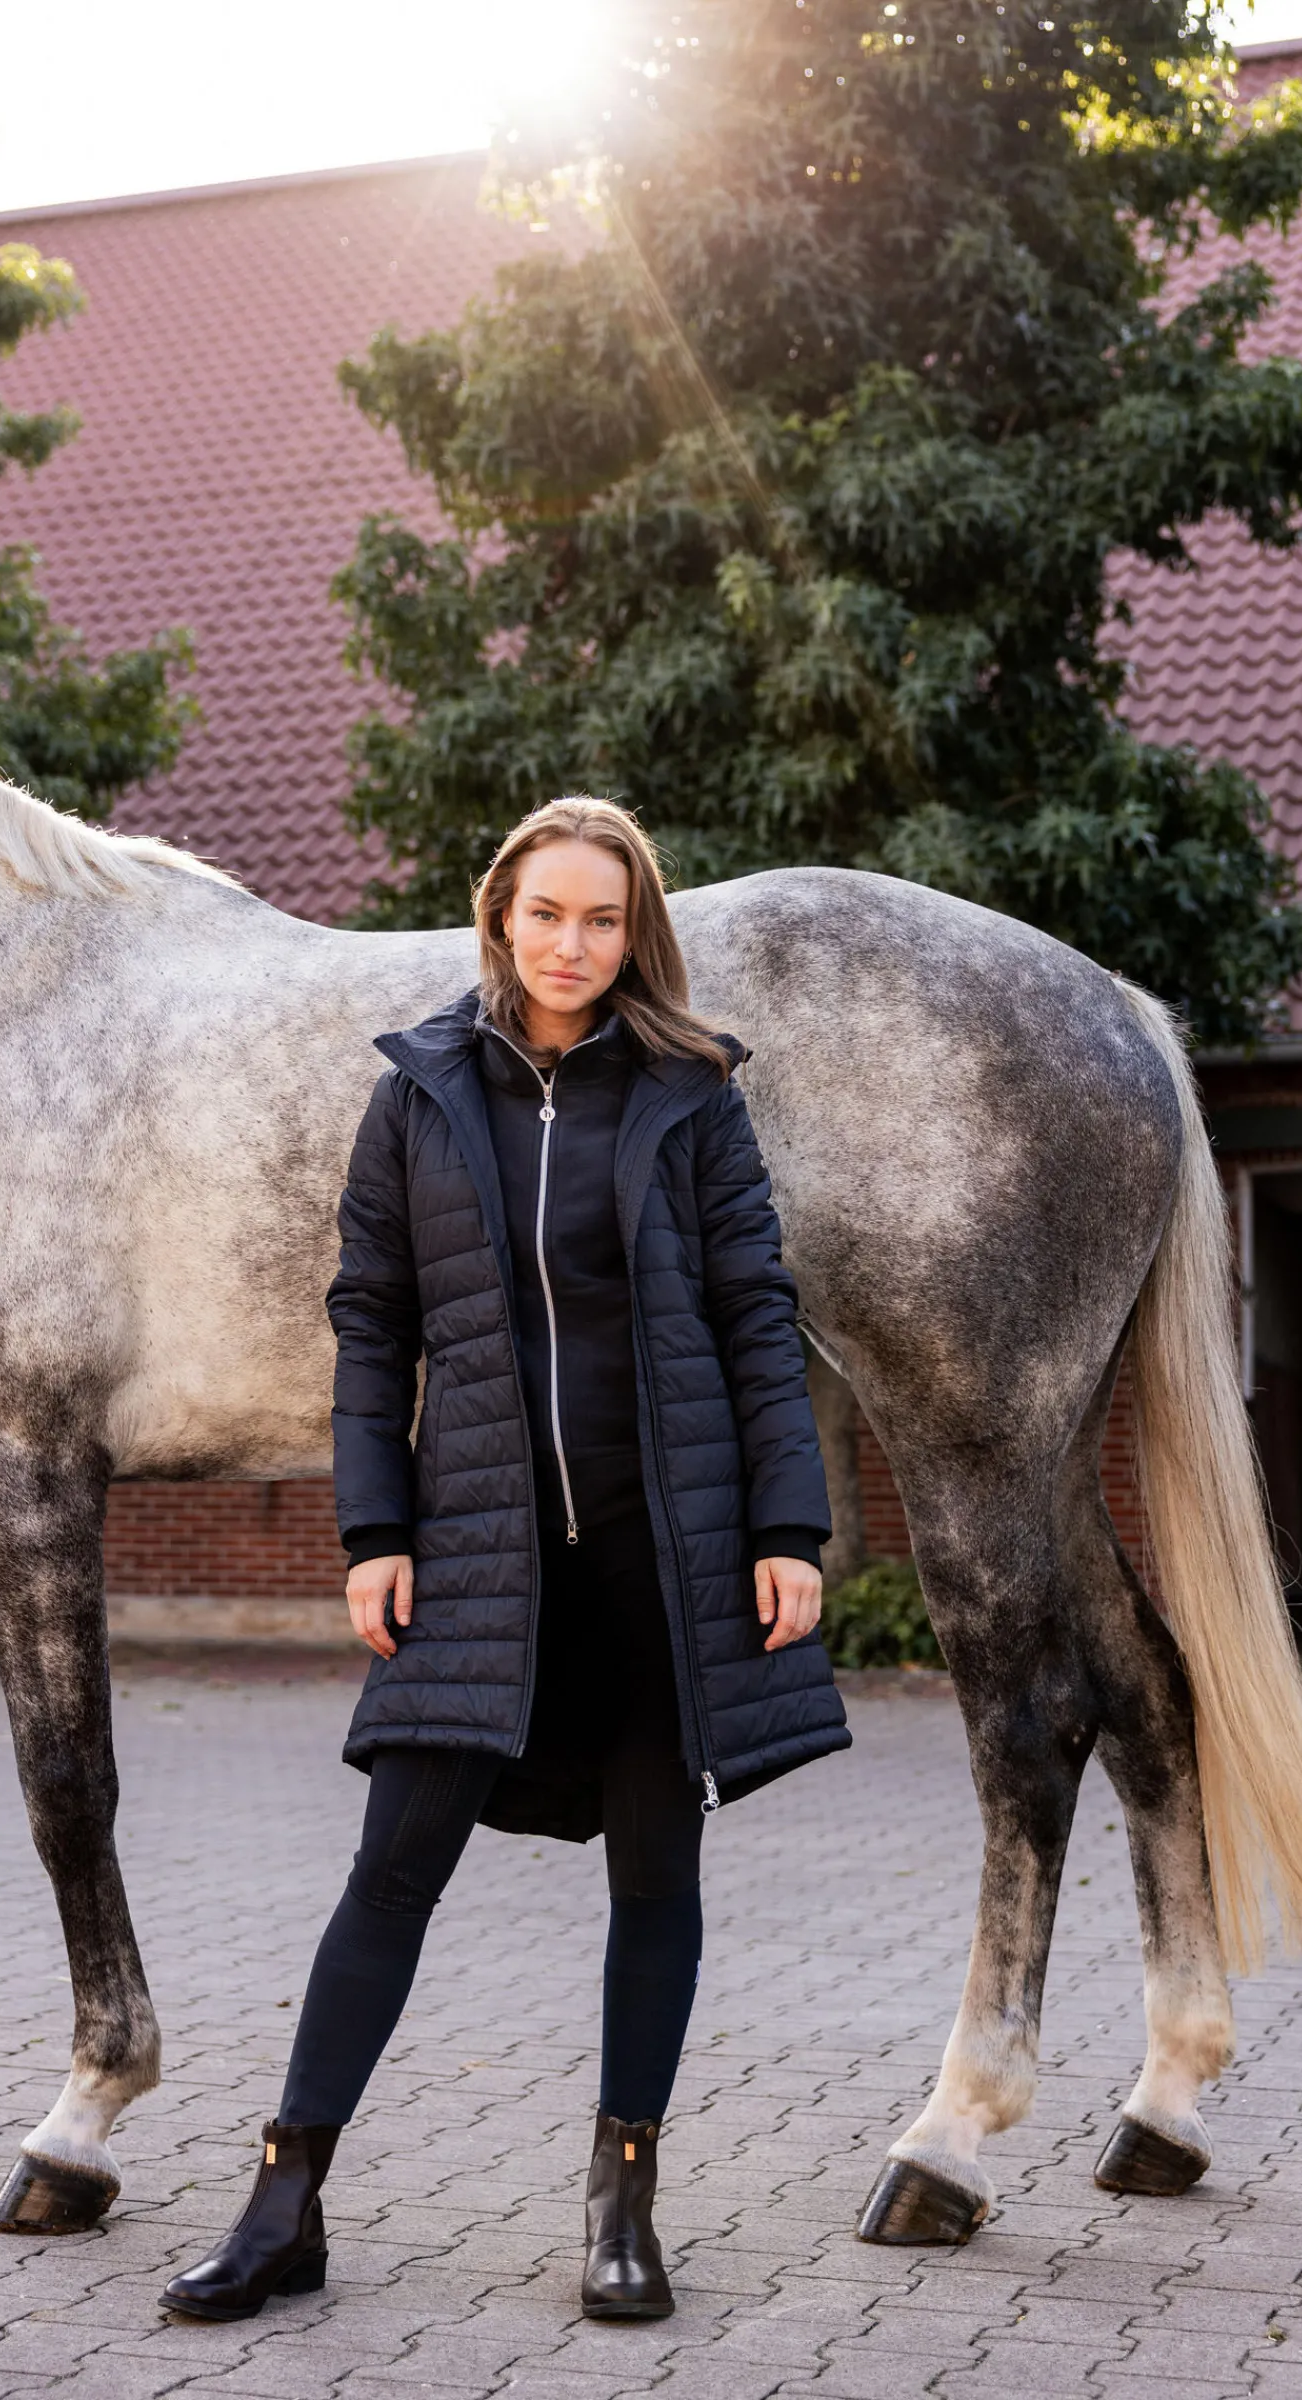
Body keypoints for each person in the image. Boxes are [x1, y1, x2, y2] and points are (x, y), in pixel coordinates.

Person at [161, 797, 850, 2325]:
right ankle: (286, 2199)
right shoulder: (419, 1092)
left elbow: (756, 1315)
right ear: (499, 916)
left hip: (663, 1558)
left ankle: (622, 2201)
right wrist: (375, 1528)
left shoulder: (692, 1094)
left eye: (602, 919)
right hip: (477, 1556)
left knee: (657, 1877)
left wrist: (786, 1531)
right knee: (389, 1876)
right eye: (547, 913)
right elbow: (372, 1322)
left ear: (635, 932)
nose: (571, 945)